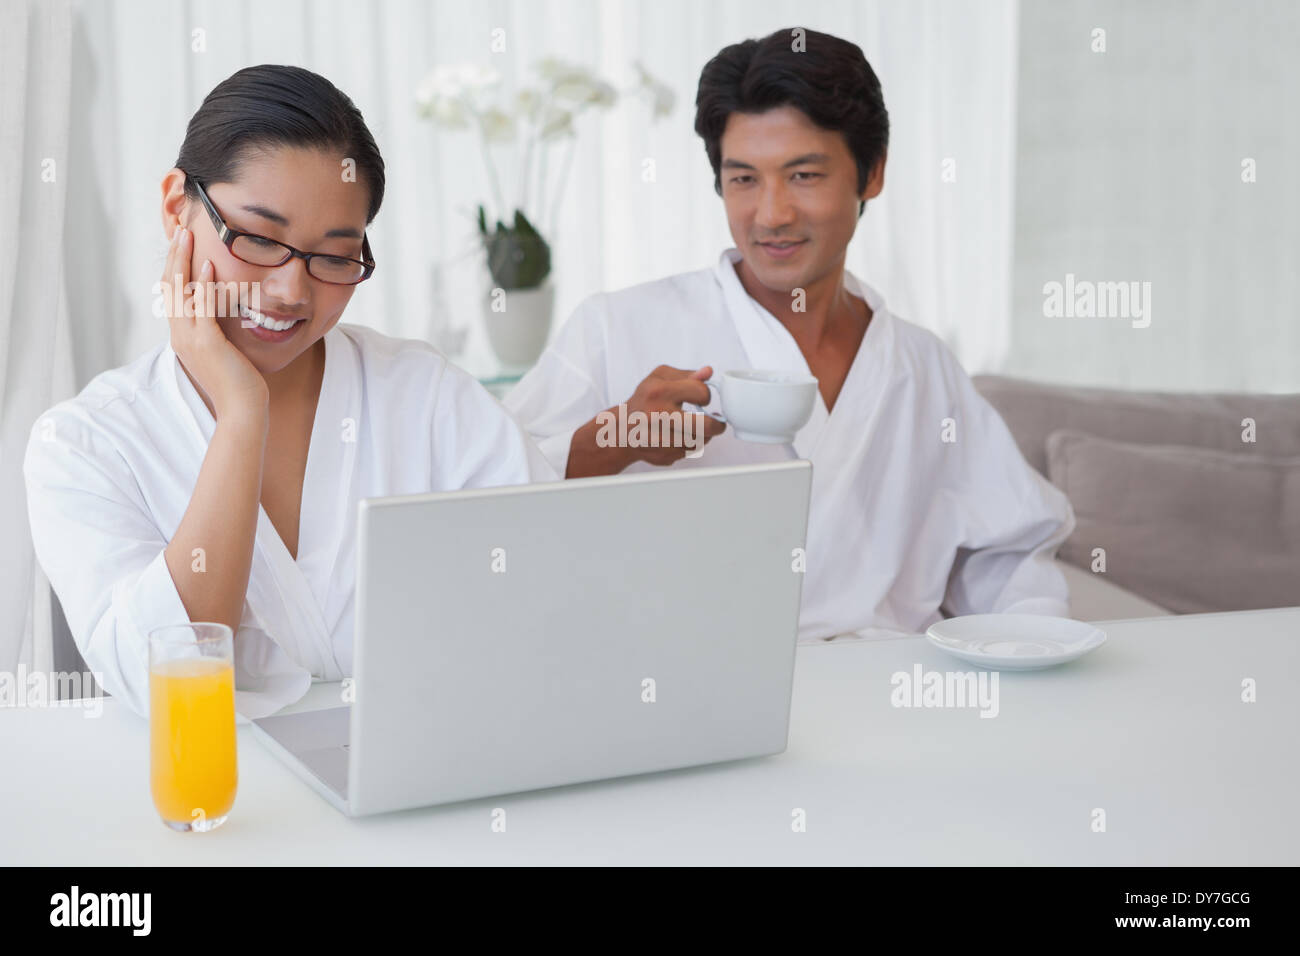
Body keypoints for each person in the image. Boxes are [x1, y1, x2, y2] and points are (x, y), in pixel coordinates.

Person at [505, 28, 1075, 639]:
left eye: (803, 175)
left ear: (871, 173)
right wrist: (615, 439)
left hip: (887, 691)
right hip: (683, 694)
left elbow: (1007, 553)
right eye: (744, 178)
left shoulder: (919, 364)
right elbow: (488, 502)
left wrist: (1031, 638)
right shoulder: (616, 328)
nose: (771, 214)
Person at [24, 65, 556, 717]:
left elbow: (553, 596)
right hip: (217, 808)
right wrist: (241, 416)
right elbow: (169, 685)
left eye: (334, 256)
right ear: (176, 208)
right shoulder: (85, 443)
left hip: (425, 788)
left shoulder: (428, 399)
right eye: (257, 238)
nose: (289, 292)